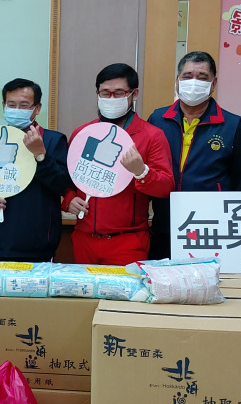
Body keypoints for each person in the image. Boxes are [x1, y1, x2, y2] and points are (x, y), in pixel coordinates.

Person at [62, 63, 174, 265]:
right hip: (84, 238)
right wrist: (69, 199)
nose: (111, 98)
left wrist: (142, 172)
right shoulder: (82, 133)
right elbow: (68, 179)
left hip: (128, 242)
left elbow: (166, 187)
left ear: (134, 94)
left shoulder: (152, 136)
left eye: (119, 93)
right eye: (105, 93)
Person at [147, 51, 241, 259]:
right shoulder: (158, 119)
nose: (194, 82)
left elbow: (240, 182)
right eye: (187, 76)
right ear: (177, 81)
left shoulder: (231, 124)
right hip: (164, 223)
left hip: (211, 228)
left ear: (213, 83)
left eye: (202, 77)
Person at [0, 78, 71, 262]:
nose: (16, 110)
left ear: (37, 108)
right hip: (2, 239)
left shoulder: (53, 140)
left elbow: (62, 184)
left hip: (40, 242)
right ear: (4, 106)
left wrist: (40, 155)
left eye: (24, 105)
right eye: (11, 104)